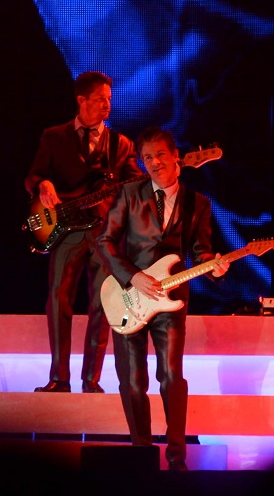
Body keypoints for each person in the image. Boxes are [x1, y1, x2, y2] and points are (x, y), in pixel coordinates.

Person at [97, 126, 228, 471]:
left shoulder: (197, 204)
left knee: (171, 376)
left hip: (171, 303)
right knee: (133, 379)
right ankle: (141, 451)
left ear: (176, 158)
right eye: (147, 158)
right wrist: (133, 277)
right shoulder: (129, 193)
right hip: (128, 296)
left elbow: (201, 252)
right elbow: (104, 243)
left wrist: (213, 267)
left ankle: (176, 455)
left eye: (160, 155)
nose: (154, 163)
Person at [24, 71, 142, 394]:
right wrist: (43, 184)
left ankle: (91, 379)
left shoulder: (121, 144)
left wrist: (152, 180)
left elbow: (135, 186)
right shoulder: (53, 136)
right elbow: (32, 176)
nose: (107, 105)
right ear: (82, 100)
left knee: (102, 305)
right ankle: (59, 378)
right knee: (58, 299)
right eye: (100, 99)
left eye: (109, 99)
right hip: (66, 232)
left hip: (104, 234)